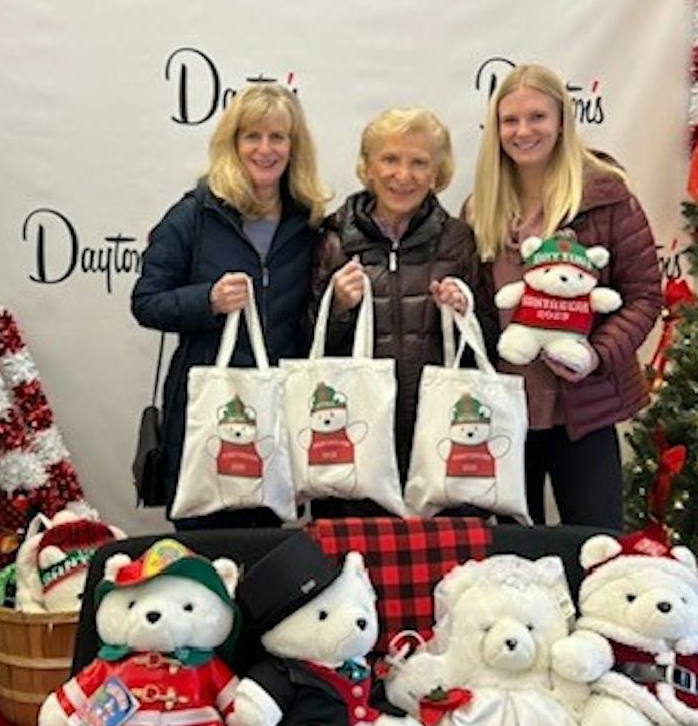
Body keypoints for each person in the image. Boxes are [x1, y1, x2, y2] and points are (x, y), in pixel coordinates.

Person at [466, 64, 663, 529]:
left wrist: (596, 355)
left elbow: (644, 298)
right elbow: (483, 310)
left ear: (561, 122)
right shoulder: (482, 208)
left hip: (585, 407)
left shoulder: (606, 197)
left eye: (537, 117)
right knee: (517, 559)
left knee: (597, 545)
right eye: (510, 120)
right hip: (508, 413)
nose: (523, 131)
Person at [132, 83, 330, 528]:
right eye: (252, 137)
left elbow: (310, 320)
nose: (265, 149)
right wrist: (207, 299)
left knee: (268, 558)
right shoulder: (194, 215)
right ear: (233, 143)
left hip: (276, 412)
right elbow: (146, 302)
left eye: (278, 137)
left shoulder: (309, 221)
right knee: (206, 555)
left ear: (294, 146)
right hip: (206, 411)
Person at [310, 106, 498, 517]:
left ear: (437, 173)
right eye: (390, 159)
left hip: (438, 440)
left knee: (444, 570)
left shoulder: (458, 239)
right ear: (368, 168)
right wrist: (341, 306)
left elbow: (491, 341)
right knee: (353, 569)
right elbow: (306, 342)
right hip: (352, 442)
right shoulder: (333, 236)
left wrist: (464, 311)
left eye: (419, 162)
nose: (403, 175)